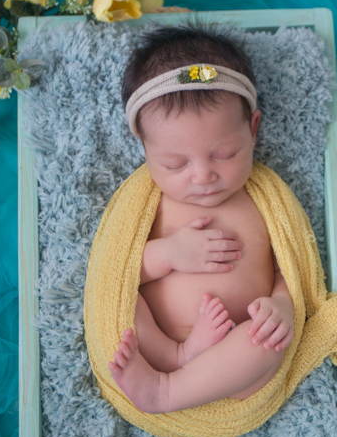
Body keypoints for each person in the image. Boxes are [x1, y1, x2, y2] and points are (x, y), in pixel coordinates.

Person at [107, 23, 297, 414]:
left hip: (235, 358)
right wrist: (169, 253)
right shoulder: (151, 204)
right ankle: (172, 366)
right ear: (145, 147)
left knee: (265, 341)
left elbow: (289, 268)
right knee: (121, 304)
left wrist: (282, 305)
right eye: (175, 164)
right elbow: (120, 270)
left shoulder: (263, 201)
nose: (203, 176)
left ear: (253, 129)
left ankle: (167, 392)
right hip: (156, 350)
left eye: (225, 154)